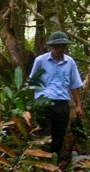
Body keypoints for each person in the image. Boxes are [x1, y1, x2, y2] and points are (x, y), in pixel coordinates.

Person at [28, 29, 84, 161]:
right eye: (56, 46)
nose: (59, 49)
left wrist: (78, 105)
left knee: (59, 135)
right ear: (51, 46)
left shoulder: (69, 62)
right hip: (44, 103)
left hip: (62, 103)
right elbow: (33, 81)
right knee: (43, 133)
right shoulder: (40, 61)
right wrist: (37, 99)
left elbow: (74, 84)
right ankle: (40, 163)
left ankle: (54, 163)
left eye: (62, 46)